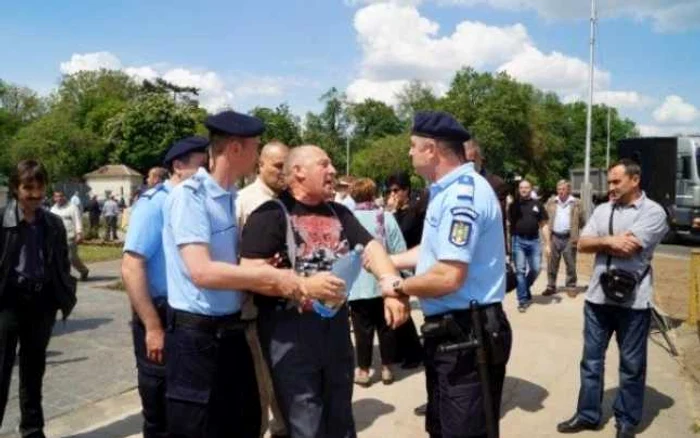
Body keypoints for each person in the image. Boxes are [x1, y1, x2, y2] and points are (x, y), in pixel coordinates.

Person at [239, 145, 409, 438]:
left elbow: (372, 248)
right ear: (298, 172)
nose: (332, 171)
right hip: (289, 334)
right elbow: (249, 272)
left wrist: (389, 285)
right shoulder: (269, 215)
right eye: (324, 164)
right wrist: (303, 285)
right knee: (306, 424)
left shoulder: (340, 212)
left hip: (335, 331)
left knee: (341, 419)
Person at [162, 111, 313, 438]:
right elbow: (201, 271)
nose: (258, 155)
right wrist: (269, 279)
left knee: (243, 422)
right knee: (199, 428)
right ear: (235, 149)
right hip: (197, 340)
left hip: (231, 331)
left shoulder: (229, 196)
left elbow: (231, 265)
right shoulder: (191, 197)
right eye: (255, 147)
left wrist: (264, 269)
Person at [389, 111, 512, 438]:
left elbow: (447, 277)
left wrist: (398, 286)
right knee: (442, 427)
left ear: (431, 149)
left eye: (413, 146)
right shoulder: (444, 191)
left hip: (467, 335)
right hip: (451, 335)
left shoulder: (463, 196)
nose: (409, 152)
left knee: (464, 431)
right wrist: (388, 260)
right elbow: (430, 253)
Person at [557, 159, 668, 438]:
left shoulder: (654, 212)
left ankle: (627, 420)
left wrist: (604, 240)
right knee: (591, 362)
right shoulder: (603, 209)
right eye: (610, 181)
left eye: (617, 181)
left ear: (635, 180)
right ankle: (587, 415)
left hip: (633, 303)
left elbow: (630, 248)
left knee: (631, 365)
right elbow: (582, 243)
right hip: (597, 299)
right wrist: (609, 241)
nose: (611, 186)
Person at [121, 136, 208, 438]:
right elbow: (132, 267)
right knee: (158, 402)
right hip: (158, 313)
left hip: (187, 317)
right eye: (201, 166)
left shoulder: (197, 202)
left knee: (185, 404)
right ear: (178, 167)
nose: (206, 174)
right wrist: (152, 326)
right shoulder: (154, 203)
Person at [0, 160, 77, 438]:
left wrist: (61, 293)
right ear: (15, 188)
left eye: (39, 187)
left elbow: (61, 262)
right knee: (1, 373)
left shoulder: (53, 223)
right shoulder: (2, 220)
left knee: (33, 374)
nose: (34, 194)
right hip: (7, 305)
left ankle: (32, 431)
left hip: (41, 305)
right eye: (27, 188)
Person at [235, 141, 290, 438]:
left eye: (287, 166)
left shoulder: (288, 201)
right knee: (260, 387)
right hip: (252, 309)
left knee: (283, 381)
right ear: (261, 165)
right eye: (277, 166)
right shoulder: (244, 202)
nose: (283, 172)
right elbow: (233, 258)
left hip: (285, 309)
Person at [347, 177, 406, 387]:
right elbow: (399, 248)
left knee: (362, 331)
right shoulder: (386, 217)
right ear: (373, 194)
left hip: (357, 286)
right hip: (384, 283)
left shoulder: (348, 219)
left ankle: (363, 370)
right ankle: (387, 368)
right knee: (386, 327)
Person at [384, 172, 425, 372]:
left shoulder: (413, 211)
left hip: (410, 263)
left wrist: (390, 213)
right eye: (389, 190)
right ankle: (401, 350)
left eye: (396, 190)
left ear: (406, 190)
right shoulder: (397, 211)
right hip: (395, 264)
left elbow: (402, 233)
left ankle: (414, 352)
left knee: (403, 309)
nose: (392, 194)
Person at [508, 179, 550, 312]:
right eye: (521, 188)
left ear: (531, 189)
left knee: (536, 268)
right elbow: (510, 225)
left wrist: (548, 244)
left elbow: (544, 225)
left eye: (526, 187)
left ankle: (524, 288)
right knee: (520, 271)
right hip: (518, 241)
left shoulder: (537, 204)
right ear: (519, 190)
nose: (524, 190)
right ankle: (522, 300)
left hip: (534, 241)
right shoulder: (513, 205)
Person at [543, 180, 585, 296]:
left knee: (570, 263)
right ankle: (551, 286)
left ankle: (571, 286)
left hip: (569, 238)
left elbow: (582, 220)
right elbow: (545, 218)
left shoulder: (576, 203)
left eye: (563, 189)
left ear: (569, 190)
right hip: (554, 237)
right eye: (559, 189)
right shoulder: (551, 202)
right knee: (552, 263)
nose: (561, 191)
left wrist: (576, 233)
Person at [50, 190, 90, 281]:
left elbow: (77, 220)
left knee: (72, 257)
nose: (59, 198)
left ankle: (83, 270)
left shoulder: (72, 207)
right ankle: (64, 275)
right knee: (59, 257)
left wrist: (79, 233)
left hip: (70, 237)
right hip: (57, 237)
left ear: (64, 197)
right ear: (54, 198)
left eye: (60, 196)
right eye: (56, 197)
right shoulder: (53, 209)